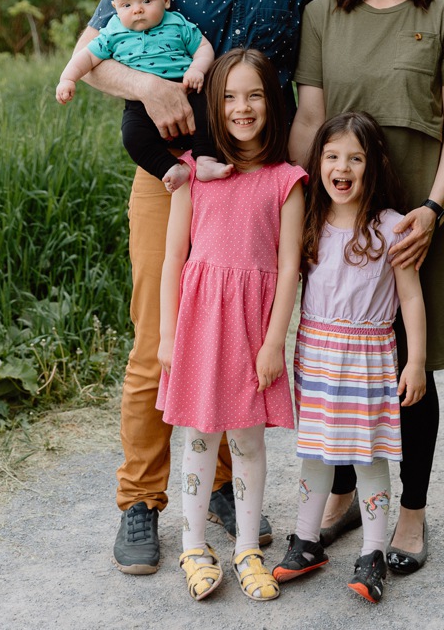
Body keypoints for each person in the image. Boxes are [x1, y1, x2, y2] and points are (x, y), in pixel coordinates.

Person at [71, 0, 322, 574]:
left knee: (240, 340)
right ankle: (140, 503)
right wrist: (149, 87)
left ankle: (219, 485)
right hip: (171, 180)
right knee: (160, 341)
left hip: (255, 189)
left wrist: (304, 196)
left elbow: (304, 90)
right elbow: (88, 58)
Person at [289, 0, 444, 575]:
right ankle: (342, 498)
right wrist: (299, 207)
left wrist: (431, 209)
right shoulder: (321, 16)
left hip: (416, 219)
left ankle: (410, 513)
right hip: (338, 220)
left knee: (410, 364)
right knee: (336, 356)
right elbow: (310, 120)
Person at [156, 49, 306, 602]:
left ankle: (247, 547)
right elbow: (174, 258)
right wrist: (168, 334)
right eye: (229, 97)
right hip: (197, 325)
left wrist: (274, 343)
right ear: (214, 107)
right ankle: (194, 546)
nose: (242, 108)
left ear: (272, 101)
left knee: (247, 442)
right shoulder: (194, 175)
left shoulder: (287, 181)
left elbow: (289, 266)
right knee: (197, 438)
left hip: (251, 331)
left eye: (255, 95)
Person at [273, 112, 426, 604]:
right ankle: (307, 539)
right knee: (314, 451)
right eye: (332, 156)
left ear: (373, 165)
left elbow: (411, 297)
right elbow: (283, 285)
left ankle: (374, 552)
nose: (342, 167)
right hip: (316, 356)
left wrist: (416, 361)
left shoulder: (391, 227)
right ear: (318, 162)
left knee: (368, 457)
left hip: (368, 359)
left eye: (355, 158)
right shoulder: (310, 221)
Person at [56, 0, 222, 191]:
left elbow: (203, 48)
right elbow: (85, 57)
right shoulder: (113, 32)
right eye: (126, 5)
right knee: (132, 135)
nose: (137, 9)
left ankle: (206, 159)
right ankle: (169, 168)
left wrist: (197, 69)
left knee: (208, 112)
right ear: (115, 8)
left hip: (186, 87)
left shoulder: (177, 23)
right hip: (140, 101)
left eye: (146, 1)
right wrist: (68, 79)